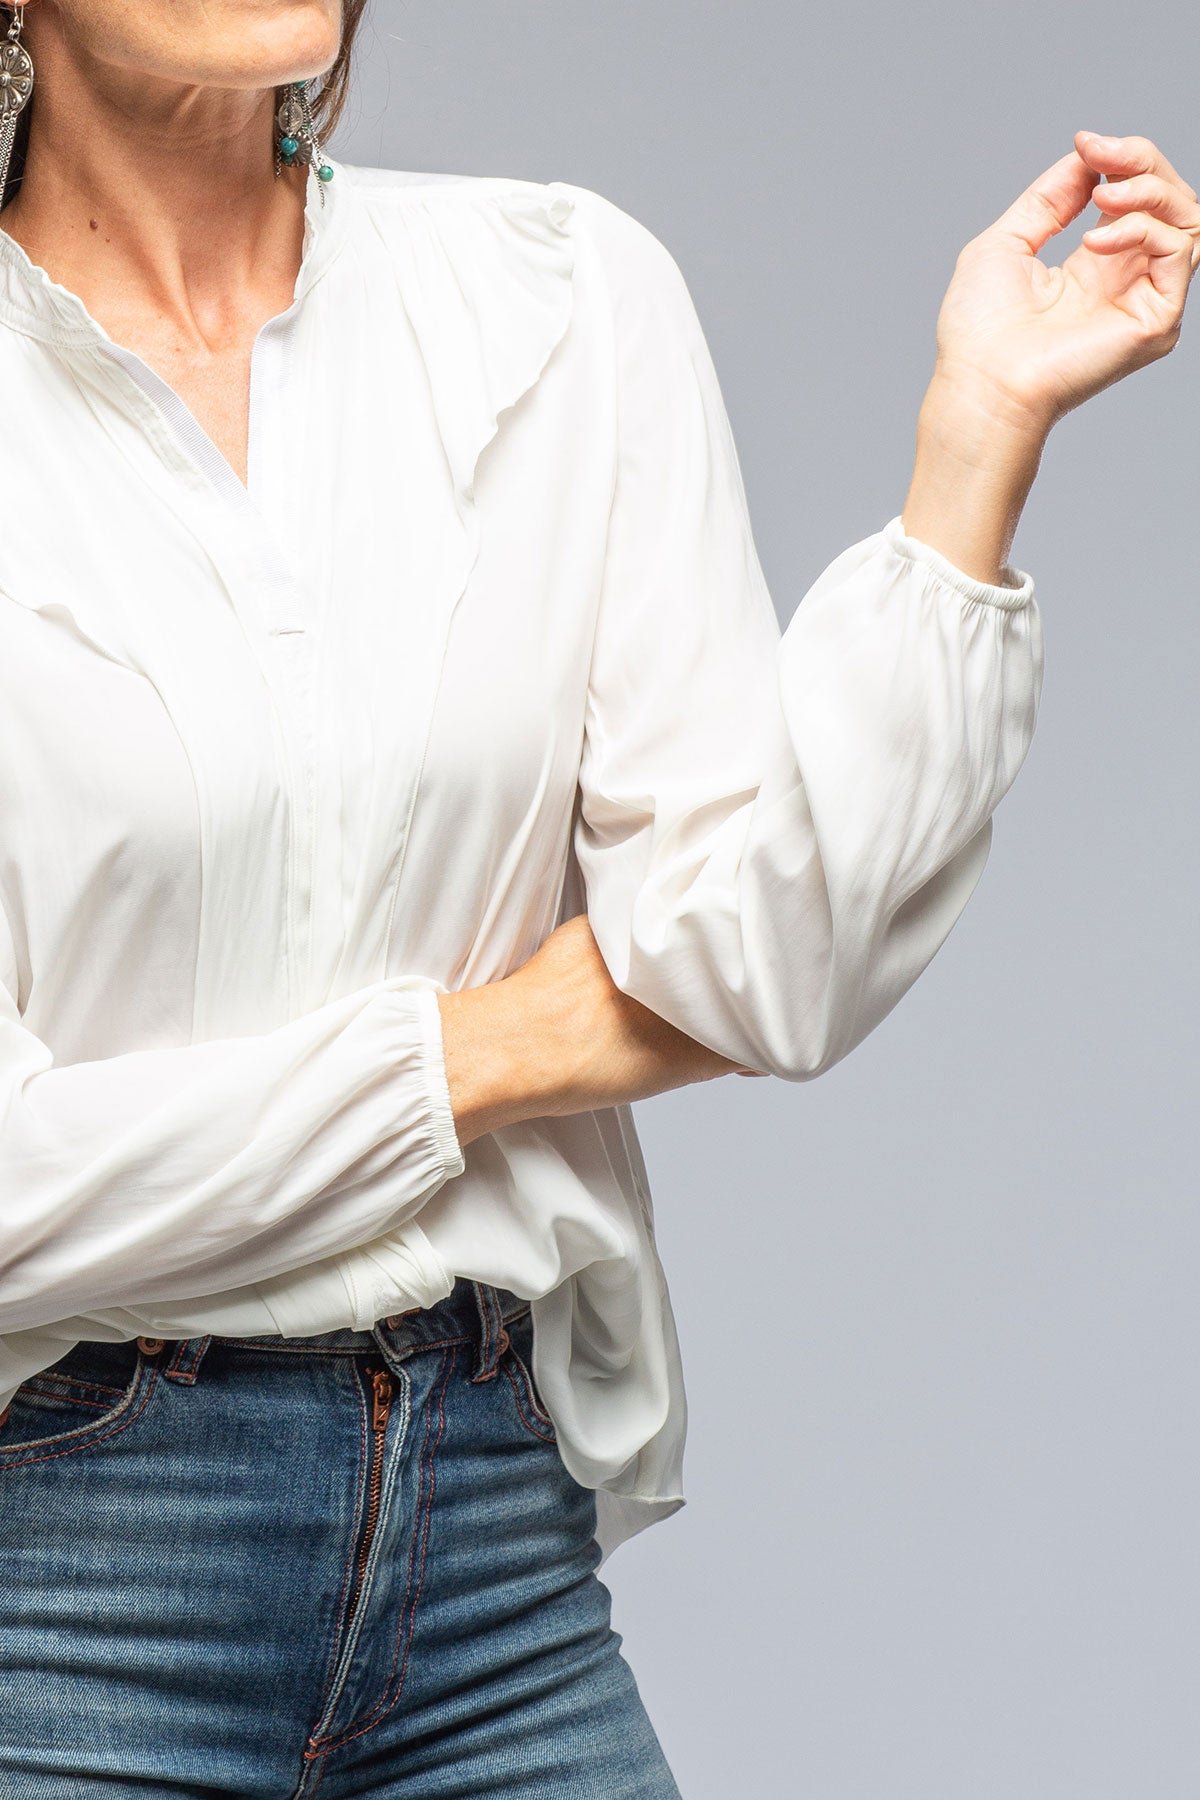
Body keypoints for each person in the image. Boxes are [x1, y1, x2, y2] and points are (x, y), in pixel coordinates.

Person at [0, 0, 1195, 1791]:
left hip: (486, 1548)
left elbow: (756, 968)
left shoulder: (556, 300)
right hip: (57, 1570)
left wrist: (974, 447)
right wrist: (489, 1053)